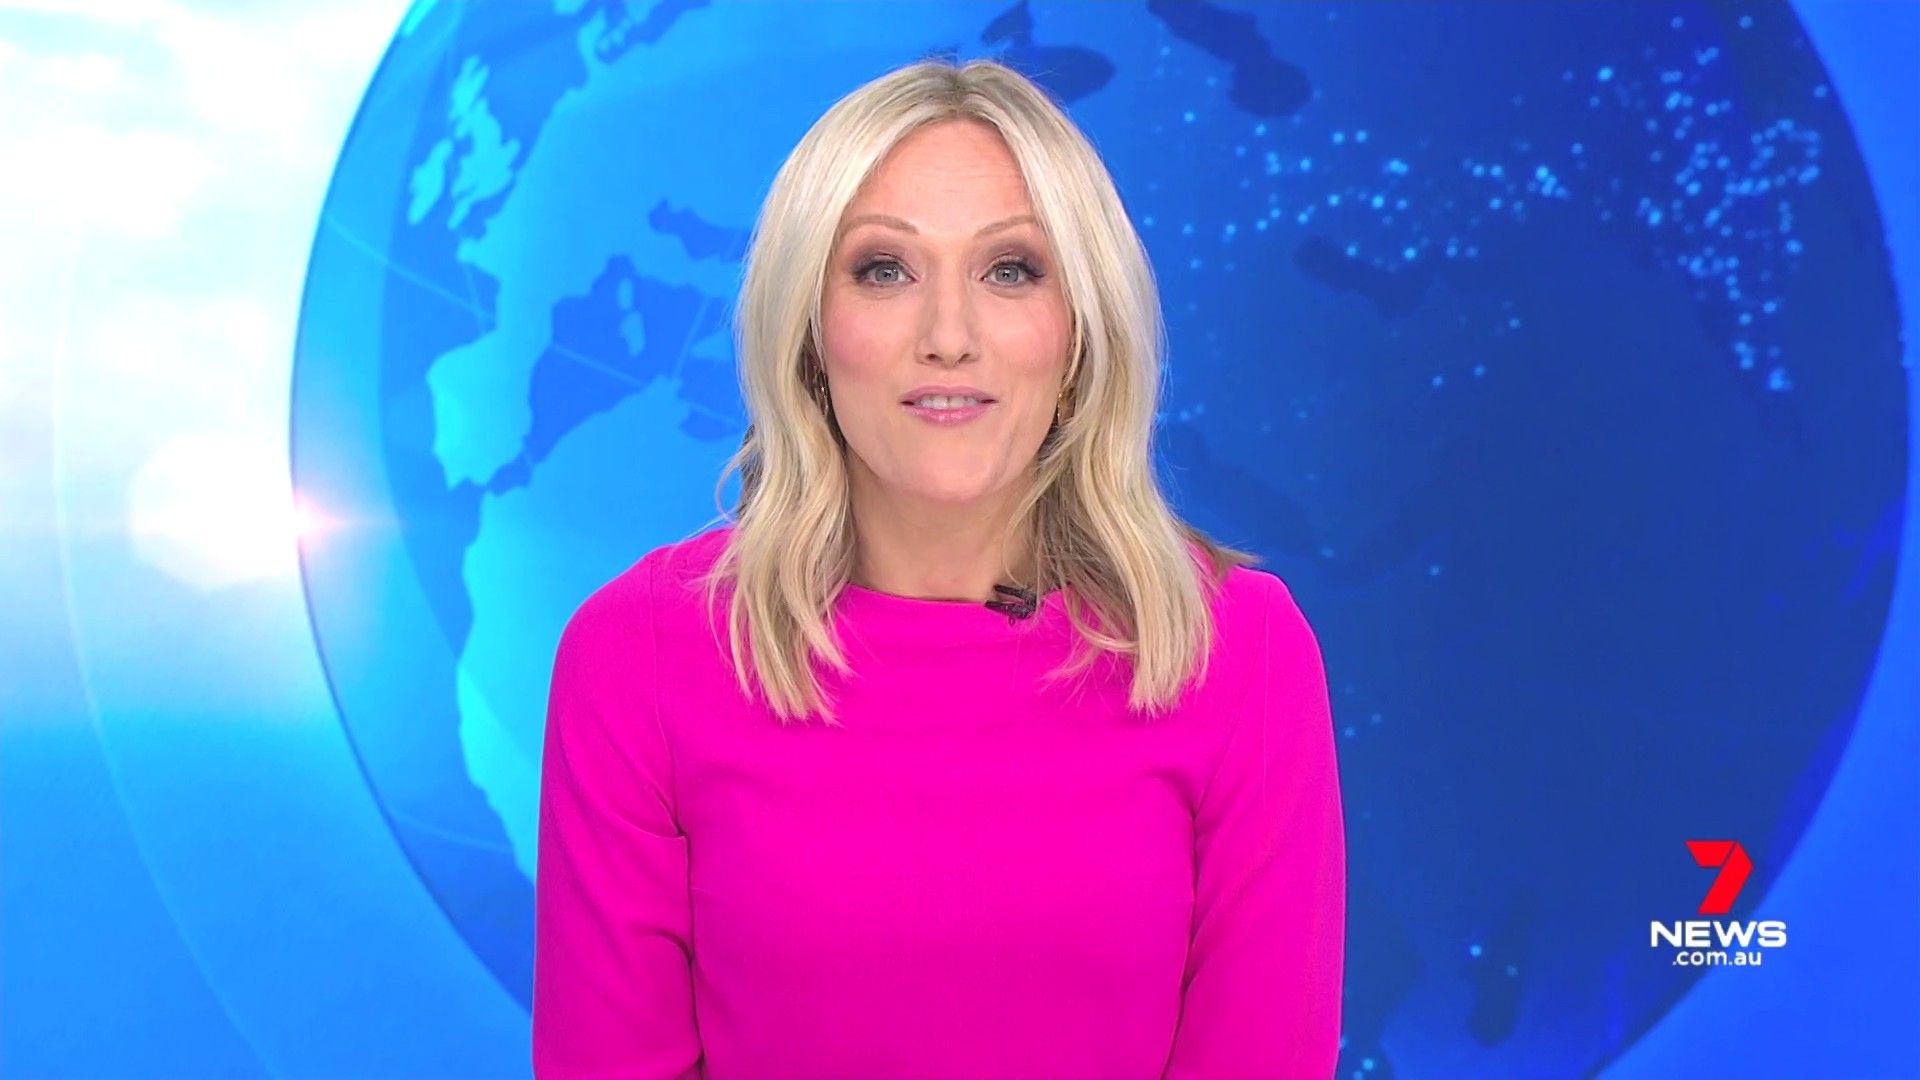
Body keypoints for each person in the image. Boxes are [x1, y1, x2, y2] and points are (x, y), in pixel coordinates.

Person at [531, 57, 1345, 1080]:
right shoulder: (641, 655)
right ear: (810, 334)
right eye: (885, 270)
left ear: (1079, 331)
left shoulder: (1238, 651)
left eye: (1011, 270)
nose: (949, 337)